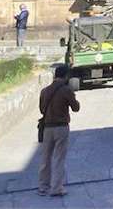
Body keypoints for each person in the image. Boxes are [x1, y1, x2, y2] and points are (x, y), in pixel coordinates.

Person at [38, 64, 80, 197]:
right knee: (58, 158)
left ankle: (43, 186)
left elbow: (41, 109)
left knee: (45, 158)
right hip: (61, 127)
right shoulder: (66, 90)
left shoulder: (44, 91)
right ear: (66, 76)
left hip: (47, 128)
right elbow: (75, 108)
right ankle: (56, 188)